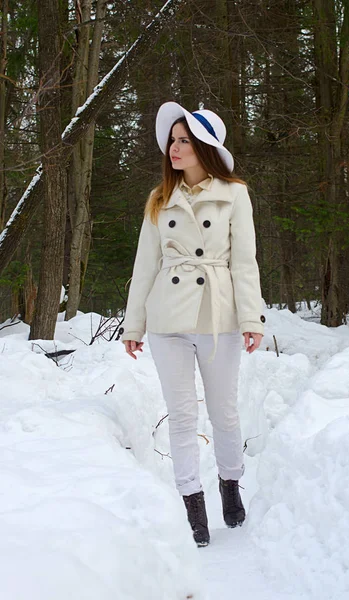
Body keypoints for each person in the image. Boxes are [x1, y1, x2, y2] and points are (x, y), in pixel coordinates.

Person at [121, 101, 265, 547]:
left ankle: (230, 487)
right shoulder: (159, 199)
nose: (174, 147)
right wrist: (134, 325)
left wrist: (251, 316)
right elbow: (145, 265)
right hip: (169, 319)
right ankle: (193, 509)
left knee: (223, 412)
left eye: (184, 140)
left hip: (218, 315)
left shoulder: (234, 193)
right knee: (183, 417)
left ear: (205, 147)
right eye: (172, 140)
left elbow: (244, 261)